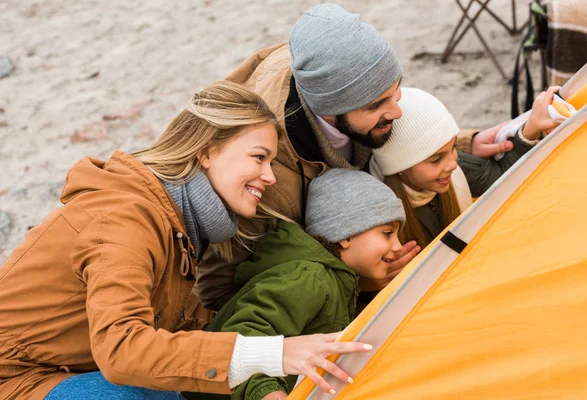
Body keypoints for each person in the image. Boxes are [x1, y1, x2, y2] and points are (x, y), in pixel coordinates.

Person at [0, 81, 372, 400]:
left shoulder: (183, 227)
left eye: (272, 163)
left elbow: (192, 335)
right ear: (206, 151)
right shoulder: (125, 217)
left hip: (67, 367)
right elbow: (121, 348)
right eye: (259, 158)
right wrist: (276, 352)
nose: (269, 177)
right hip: (15, 377)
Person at [199, 3, 513, 311]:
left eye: (397, 89)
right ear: (328, 110)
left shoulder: (325, 58)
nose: (397, 111)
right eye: (375, 105)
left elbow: (397, 125)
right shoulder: (266, 176)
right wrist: (356, 281)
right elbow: (219, 292)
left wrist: (465, 142)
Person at [185, 169, 405, 400]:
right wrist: (267, 393)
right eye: (387, 233)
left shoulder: (341, 282)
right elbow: (246, 334)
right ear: (346, 235)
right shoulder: (310, 278)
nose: (398, 246)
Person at [369, 86, 561, 248]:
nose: (453, 164)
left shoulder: (457, 171)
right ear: (399, 167)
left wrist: (530, 131)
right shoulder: (375, 217)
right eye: (436, 160)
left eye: (453, 147)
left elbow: (501, 178)